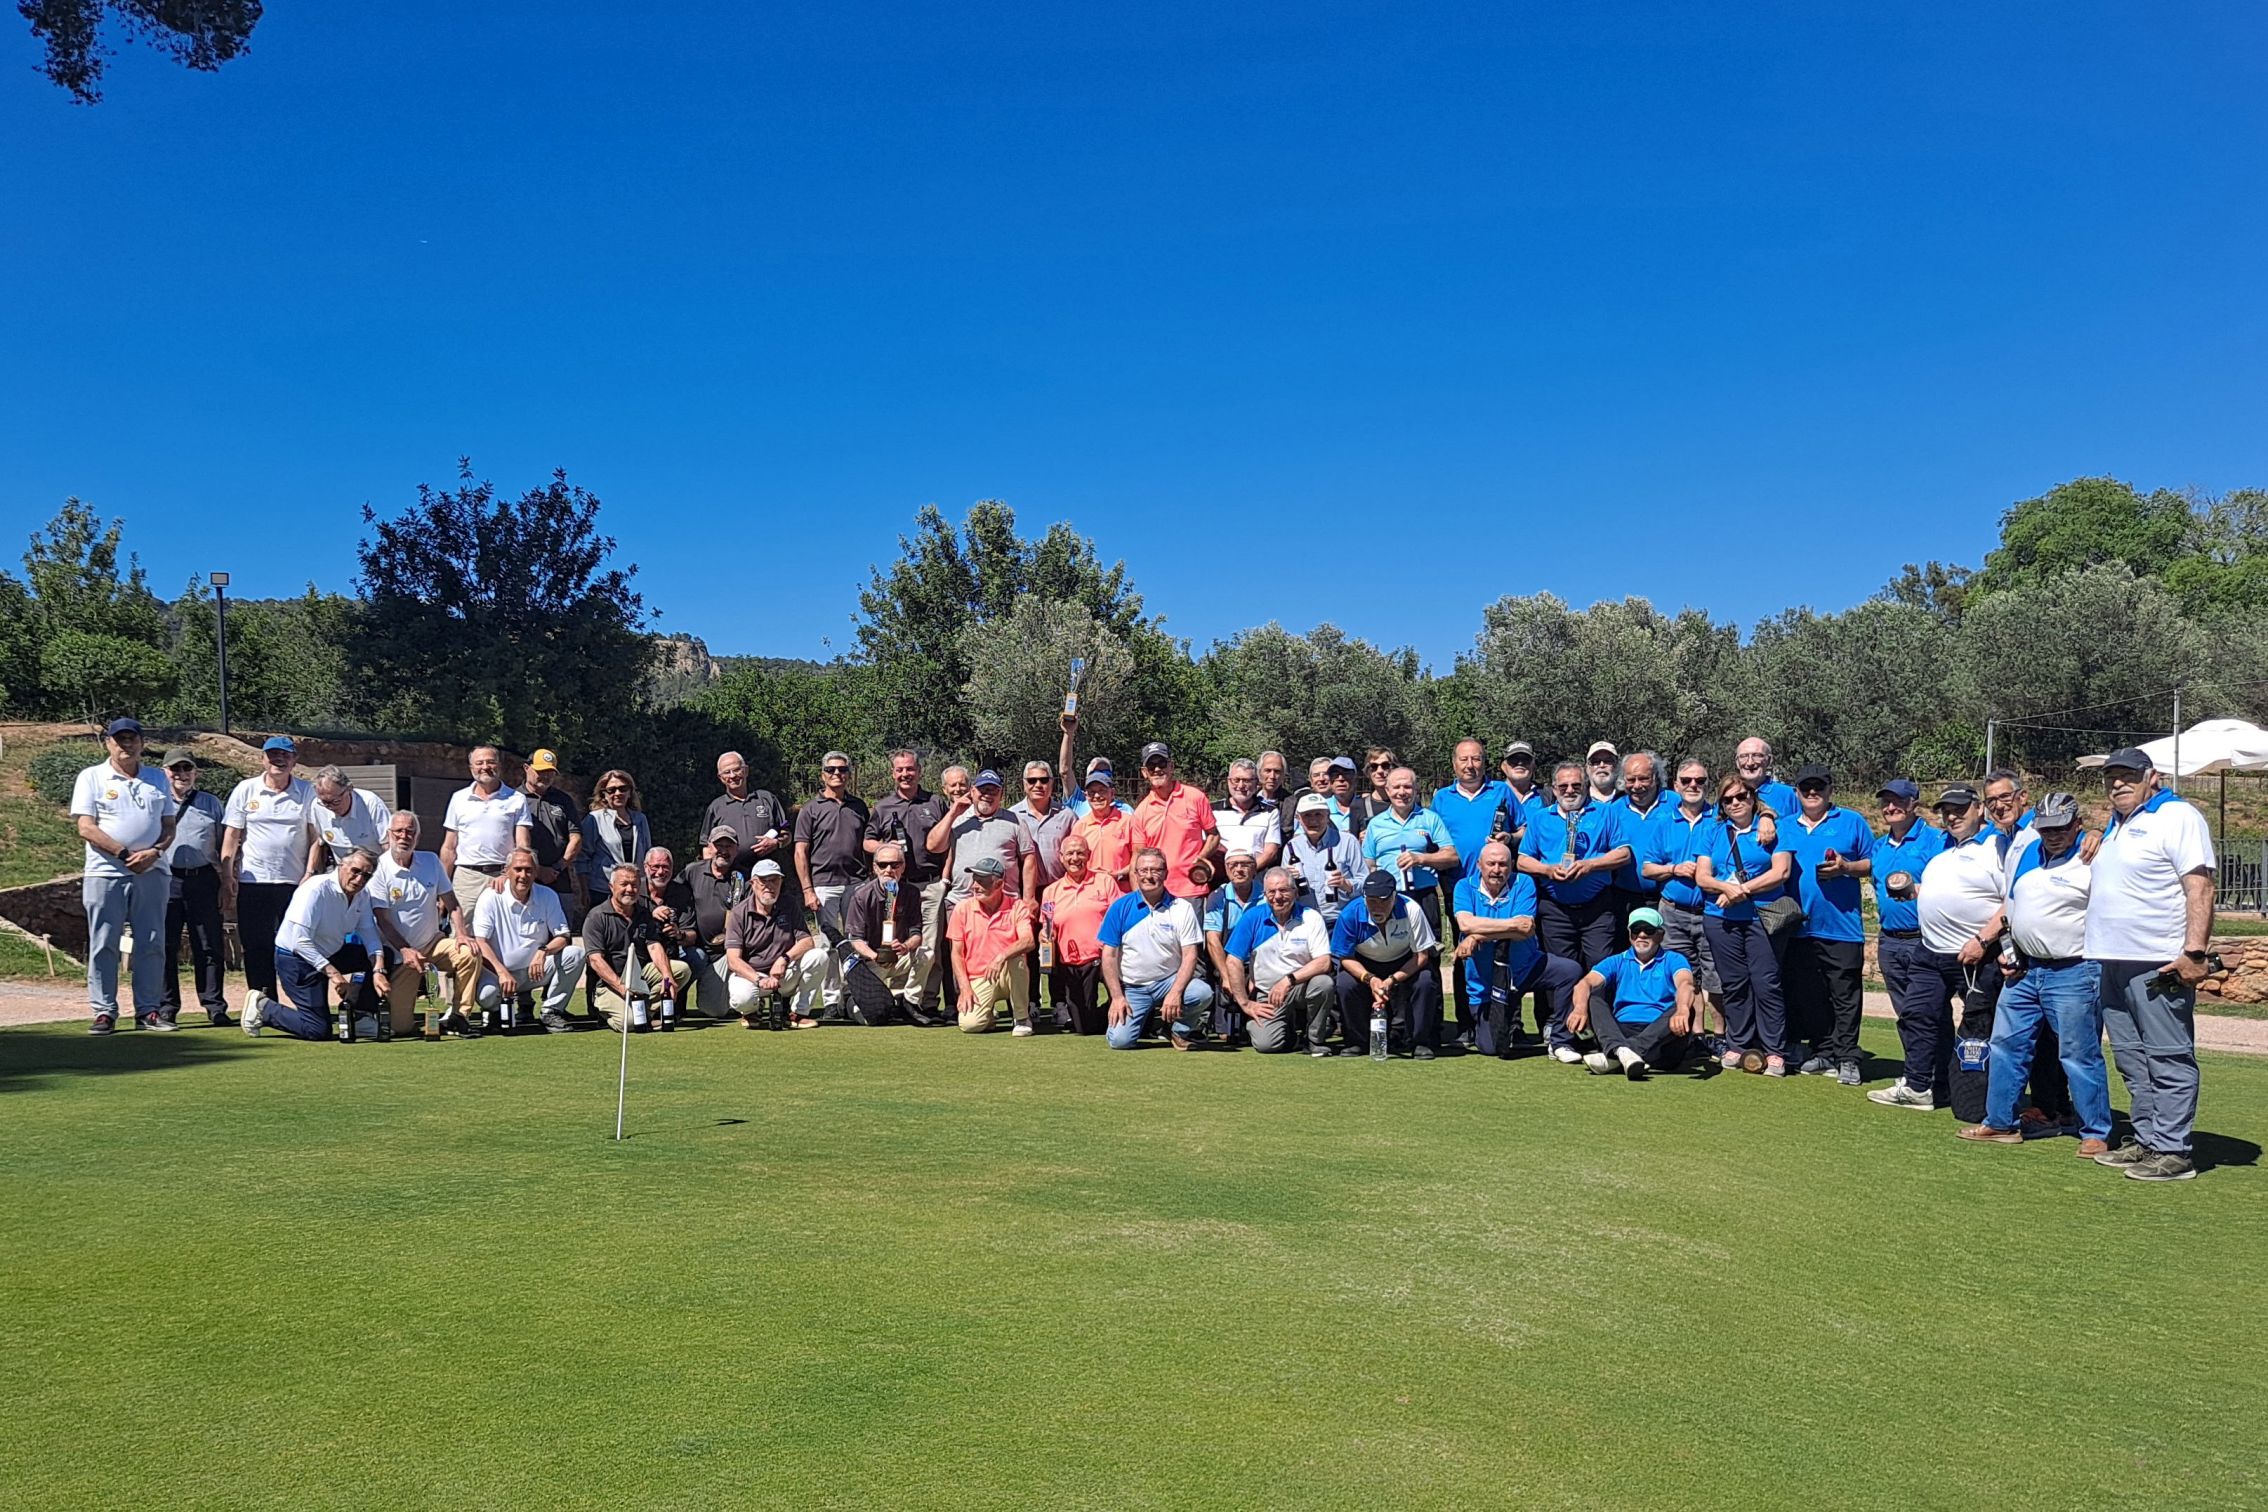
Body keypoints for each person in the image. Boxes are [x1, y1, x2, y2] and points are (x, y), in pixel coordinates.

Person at [1958, 791, 2115, 1157]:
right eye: (2046, 829)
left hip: (2074, 969)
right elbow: (2013, 907)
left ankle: (2095, 1131)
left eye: (2061, 828)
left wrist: (2098, 833)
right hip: (2025, 970)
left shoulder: (2094, 855)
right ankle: (2000, 1122)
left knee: (2078, 1053)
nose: (2053, 835)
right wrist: (2010, 949)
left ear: (2077, 825)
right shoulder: (2028, 852)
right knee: (2005, 1046)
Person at [2085, 748, 2217, 1181]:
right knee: (2131, 1058)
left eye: (2128, 775)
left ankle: (2174, 1150)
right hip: (2113, 959)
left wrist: (2194, 952)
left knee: (2167, 1056)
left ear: (2152, 777)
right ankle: (2147, 1140)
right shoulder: (2118, 823)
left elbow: (2200, 887)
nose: (2117, 783)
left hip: (2158, 963)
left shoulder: (2178, 816)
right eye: (2111, 777)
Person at [1870, 785, 2004, 1112]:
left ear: (1979, 809)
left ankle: (1982, 1098)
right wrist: (1916, 891)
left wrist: (1983, 940)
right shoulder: (1946, 849)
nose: (1952, 817)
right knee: (1916, 1016)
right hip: (1931, 951)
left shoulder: (1998, 846)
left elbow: (2013, 900)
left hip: (1976, 954)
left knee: (1980, 1030)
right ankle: (1918, 1086)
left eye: (1960, 809)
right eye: (1946, 811)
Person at [71, 717, 178, 1034]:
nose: (126, 745)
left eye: (132, 739)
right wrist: (123, 854)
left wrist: (155, 852)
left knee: (152, 943)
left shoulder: (157, 778)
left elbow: (169, 826)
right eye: (119, 739)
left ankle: (148, 1011)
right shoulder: (91, 777)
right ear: (108, 743)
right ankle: (104, 1011)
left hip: (152, 871)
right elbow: (86, 827)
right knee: (104, 943)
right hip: (105, 872)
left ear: (142, 743)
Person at [1777, 764, 1876, 1087]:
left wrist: (1846, 867)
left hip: (1841, 926)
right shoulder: (1784, 825)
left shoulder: (1851, 821)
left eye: (1818, 786)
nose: (1812, 792)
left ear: (1830, 789)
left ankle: (1848, 1057)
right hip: (1797, 927)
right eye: (1806, 787)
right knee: (1810, 995)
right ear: (1796, 792)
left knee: (1845, 995)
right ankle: (1823, 1051)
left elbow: (1872, 863)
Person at [1693, 774, 1794, 1075]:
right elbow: (1702, 876)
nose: (1735, 803)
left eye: (1741, 796)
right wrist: (1726, 888)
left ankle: (1774, 1049)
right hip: (1720, 919)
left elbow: (1781, 872)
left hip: (1762, 918)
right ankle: (1738, 1044)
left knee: (1766, 983)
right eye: (1728, 799)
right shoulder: (1712, 831)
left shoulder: (1773, 829)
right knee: (1734, 984)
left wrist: (1742, 891)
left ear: (1752, 797)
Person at [1454, 838, 1583, 1059]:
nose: (1497, 870)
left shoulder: (1523, 883)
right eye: (1491, 864)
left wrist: (1477, 935)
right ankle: (1501, 1026)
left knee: (1570, 971)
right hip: (1486, 984)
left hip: (1526, 968)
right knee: (1493, 1048)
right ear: (1479, 865)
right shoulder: (1464, 886)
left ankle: (1560, 1041)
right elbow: (1466, 924)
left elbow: (1526, 929)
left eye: (1503, 864)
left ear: (1511, 865)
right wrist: (1508, 926)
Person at [242, 847, 386, 1040]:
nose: (360, 879)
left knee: (383, 956)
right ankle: (263, 1007)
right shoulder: (316, 889)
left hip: (330, 952)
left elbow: (369, 933)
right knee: (317, 1030)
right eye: (356, 871)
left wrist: (378, 970)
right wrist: (335, 975)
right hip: (296, 960)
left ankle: (360, 1016)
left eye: (367, 876)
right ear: (341, 865)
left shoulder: (363, 894)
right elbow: (299, 942)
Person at [370, 812, 484, 1038]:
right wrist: (405, 950)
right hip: (401, 955)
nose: (404, 836)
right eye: (399, 831)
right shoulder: (379, 868)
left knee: (469, 953)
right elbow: (382, 919)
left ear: (417, 837)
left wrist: (462, 934)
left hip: (433, 944)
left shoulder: (431, 861)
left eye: (410, 832)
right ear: (389, 834)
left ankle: (459, 1016)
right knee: (400, 1028)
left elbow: (452, 903)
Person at [220, 734, 316, 1000]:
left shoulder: (307, 791)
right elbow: (231, 836)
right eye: (273, 755)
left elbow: (316, 839)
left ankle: (304, 1004)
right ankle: (262, 1003)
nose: (279, 760)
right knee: (256, 947)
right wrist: (227, 876)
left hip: (295, 883)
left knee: (297, 946)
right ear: (263, 759)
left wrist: (310, 873)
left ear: (294, 760)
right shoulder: (245, 789)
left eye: (285, 755)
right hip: (253, 882)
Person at [1517, 760, 1630, 972]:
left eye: (1576, 785)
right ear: (1554, 789)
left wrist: (1590, 865)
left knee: (1601, 971)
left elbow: (1623, 854)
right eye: (1563, 786)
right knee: (1564, 972)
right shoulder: (1541, 818)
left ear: (1586, 786)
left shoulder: (1605, 813)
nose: (1570, 790)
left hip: (1597, 909)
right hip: (1555, 911)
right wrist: (1548, 870)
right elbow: (1522, 860)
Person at [1868, 777, 1946, 1083]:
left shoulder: (1935, 841)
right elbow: (1872, 875)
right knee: (1906, 1015)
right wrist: (1845, 867)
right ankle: (1917, 1075)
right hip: (1889, 940)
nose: (1891, 807)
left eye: (1899, 801)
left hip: (1923, 940)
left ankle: (1941, 1076)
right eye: (1886, 802)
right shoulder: (1879, 846)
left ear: (1914, 803)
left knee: (1928, 1013)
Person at [866, 750, 953, 1017]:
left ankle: (926, 1001)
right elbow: (867, 842)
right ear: (893, 773)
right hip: (897, 888)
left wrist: (945, 878)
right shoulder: (883, 807)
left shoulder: (935, 802)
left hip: (930, 884)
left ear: (919, 771)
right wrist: (886, 848)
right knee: (900, 942)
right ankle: (900, 997)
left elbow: (950, 842)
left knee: (930, 947)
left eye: (910, 769)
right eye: (900, 770)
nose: (905, 774)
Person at [1100, 847, 1214, 1050]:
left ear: (1166, 873)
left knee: (1202, 993)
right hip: (1133, 988)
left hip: (1169, 981)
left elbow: (1190, 955)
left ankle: (1178, 1030)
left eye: (1156, 870)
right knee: (1120, 1041)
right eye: (1143, 870)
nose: (1149, 876)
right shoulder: (1119, 907)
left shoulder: (1182, 908)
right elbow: (1108, 956)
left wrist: (1176, 992)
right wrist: (1117, 997)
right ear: (1135, 874)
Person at [1643, 758, 1719, 1043]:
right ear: (1676, 785)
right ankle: (1695, 1035)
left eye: (1699, 781)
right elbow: (1647, 868)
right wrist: (1674, 869)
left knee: (1716, 978)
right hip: (1673, 912)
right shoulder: (1664, 822)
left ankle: (1721, 1036)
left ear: (1708, 784)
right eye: (1686, 781)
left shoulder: (1720, 819)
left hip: (1712, 910)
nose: (1693, 786)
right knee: (1684, 975)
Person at [1567, 908, 1696, 1078]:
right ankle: (1624, 1052)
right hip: (1621, 1031)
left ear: (1660, 935)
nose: (1641, 935)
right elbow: (1585, 983)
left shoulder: (1674, 959)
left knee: (1687, 1007)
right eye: (1636, 930)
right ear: (1629, 934)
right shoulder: (1616, 961)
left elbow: (1686, 984)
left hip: (1661, 1037)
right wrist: (1579, 1009)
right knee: (1592, 998)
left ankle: (1618, 1054)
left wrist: (1682, 1009)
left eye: (1648, 930)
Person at [469, 848, 586, 1033]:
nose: (523, 875)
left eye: (529, 870)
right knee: (486, 996)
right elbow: (481, 941)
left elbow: (563, 936)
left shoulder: (547, 895)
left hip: (534, 972)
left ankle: (551, 1011)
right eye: (518, 869)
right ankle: (495, 1011)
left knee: (575, 954)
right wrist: (502, 972)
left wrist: (543, 951)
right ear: (507, 871)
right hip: (498, 973)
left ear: (536, 872)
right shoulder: (490, 897)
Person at [1223, 866, 1337, 1055]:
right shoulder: (1252, 917)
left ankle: (1314, 1039)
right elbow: (1233, 961)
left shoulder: (1311, 917)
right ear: (1264, 894)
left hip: (1301, 986)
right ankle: (1283, 1030)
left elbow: (1324, 962)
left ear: (1295, 892)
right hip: (1267, 992)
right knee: (1266, 1045)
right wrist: (1245, 1003)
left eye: (1283, 890)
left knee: (1323, 983)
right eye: (1271, 891)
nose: (1277, 896)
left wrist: (1288, 980)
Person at [1331, 868, 1444, 1059]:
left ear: (1394, 896)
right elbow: (1345, 958)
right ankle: (1358, 1041)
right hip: (1364, 963)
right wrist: (1370, 979)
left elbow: (1421, 956)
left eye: (1383, 901)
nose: (1377, 907)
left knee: (1425, 980)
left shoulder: (1411, 909)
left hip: (1405, 961)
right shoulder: (1349, 914)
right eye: (1372, 901)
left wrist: (1392, 979)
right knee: (1344, 983)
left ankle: (1419, 1041)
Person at [794, 751, 870, 1019]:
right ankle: (830, 1001)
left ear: (849, 773)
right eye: (831, 770)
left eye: (842, 769)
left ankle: (852, 995)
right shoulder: (811, 809)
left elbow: (868, 845)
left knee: (855, 942)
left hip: (856, 884)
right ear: (822, 774)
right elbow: (800, 852)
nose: (837, 774)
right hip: (824, 885)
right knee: (828, 946)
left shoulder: (859, 806)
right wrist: (807, 890)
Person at [159, 752, 229, 1026]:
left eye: (186, 768)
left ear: (195, 772)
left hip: (204, 879)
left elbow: (224, 844)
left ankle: (214, 1005)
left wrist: (226, 882)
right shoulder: (157, 802)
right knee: (166, 946)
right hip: (167, 879)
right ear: (165, 772)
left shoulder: (211, 803)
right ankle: (167, 1006)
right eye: (175, 769)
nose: (181, 774)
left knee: (209, 945)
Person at [582, 863, 691, 1032]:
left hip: (639, 976)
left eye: (634, 885)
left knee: (681, 970)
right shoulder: (596, 916)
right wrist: (621, 988)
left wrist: (667, 978)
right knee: (631, 1023)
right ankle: (609, 1014)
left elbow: (654, 946)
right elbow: (595, 960)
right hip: (608, 983)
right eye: (624, 884)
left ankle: (643, 1011)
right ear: (611, 887)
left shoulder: (643, 913)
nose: (630, 889)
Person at [723, 859, 824, 1029]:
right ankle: (751, 1011)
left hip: (783, 974)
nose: (769, 886)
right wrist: (758, 980)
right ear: (753, 883)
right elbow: (733, 960)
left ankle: (798, 1014)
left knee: (819, 956)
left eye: (774, 880)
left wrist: (784, 959)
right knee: (742, 999)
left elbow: (807, 941)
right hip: (753, 976)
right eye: (763, 881)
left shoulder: (789, 904)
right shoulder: (739, 913)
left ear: (781, 882)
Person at [839, 841, 930, 1025]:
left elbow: (916, 934)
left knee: (926, 954)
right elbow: (855, 939)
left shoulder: (911, 893)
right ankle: (849, 1001)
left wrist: (905, 946)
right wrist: (876, 956)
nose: (889, 870)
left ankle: (909, 1003)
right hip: (869, 962)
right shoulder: (861, 895)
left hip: (897, 956)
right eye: (883, 865)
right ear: (875, 868)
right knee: (870, 1018)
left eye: (895, 865)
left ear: (903, 867)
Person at [947, 855, 1038, 1034]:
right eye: (974, 880)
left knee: (1016, 958)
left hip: (1007, 973)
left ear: (999, 884)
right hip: (979, 977)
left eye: (981, 881)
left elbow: (1028, 941)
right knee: (970, 1025)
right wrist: (964, 988)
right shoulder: (962, 909)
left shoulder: (1017, 906)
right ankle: (987, 1015)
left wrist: (1001, 957)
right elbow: (956, 954)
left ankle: (1021, 1018)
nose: (975, 886)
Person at [439, 745, 532, 916]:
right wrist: (443, 887)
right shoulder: (459, 798)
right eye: (479, 763)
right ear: (471, 768)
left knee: (505, 926)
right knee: (462, 928)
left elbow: (522, 845)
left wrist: (508, 874)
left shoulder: (516, 799)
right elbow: (449, 847)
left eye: (490, 762)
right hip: (466, 879)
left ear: (499, 766)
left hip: (502, 877)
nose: (485, 767)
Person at [1043, 831, 1120, 1035]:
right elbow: (1047, 926)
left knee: (1128, 999)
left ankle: (1125, 1015)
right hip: (1073, 962)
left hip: (1105, 957)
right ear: (1061, 857)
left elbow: (1118, 919)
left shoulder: (1105, 882)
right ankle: (1105, 1016)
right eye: (1070, 853)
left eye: (1080, 853)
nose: (1075, 858)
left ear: (1089, 855)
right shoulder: (1051, 891)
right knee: (1084, 1027)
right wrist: (1045, 934)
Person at [1129, 742, 1219, 900]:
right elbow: (1137, 858)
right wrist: (1139, 898)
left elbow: (1214, 835)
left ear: (1171, 766)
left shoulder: (1195, 797)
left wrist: (1201, 857)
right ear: (1144, 772)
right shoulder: (1140, 812)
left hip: (1192, 889)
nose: (1157, 769)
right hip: (1157, 891)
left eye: (1161, 763)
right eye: (1151, 766)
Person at [680, 828, 747, 1019]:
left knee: (714, 1010)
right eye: (719, 845)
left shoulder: (743, 877)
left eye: (729, 846)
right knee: (689, 959)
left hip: (727, 953)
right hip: (696, 949)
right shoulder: (692, 871)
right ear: (709, 847)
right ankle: (676, 1001)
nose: (723, 850)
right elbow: (675, 896)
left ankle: (744, 998)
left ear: (737, 849)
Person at [1201, 846, 1267, 1038]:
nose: (1239, 869)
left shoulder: (1267, 895)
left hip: (1259, 963)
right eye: (1233, 865)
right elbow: (1213, 940)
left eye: (1245, 864)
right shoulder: (1217, 897)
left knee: (1259, 1031)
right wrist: (1227, 977)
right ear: (1226, 869)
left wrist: (1256, 975)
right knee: (1225, 1035)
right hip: (1229, 963)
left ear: (1254, 868)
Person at [519, 749, 586, 923]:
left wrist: (558, 867)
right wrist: (537, 870)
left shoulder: (563, 800)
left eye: (550, 772)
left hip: (559, 880)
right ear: (526, 768)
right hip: (524, 879)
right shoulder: (514, 799)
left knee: (561, 930)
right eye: (541, 771)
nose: (546, 776)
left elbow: (576, 838)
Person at [639, 846, 701, 1023]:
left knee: (698, 957)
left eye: (665, 867)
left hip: (672, 953)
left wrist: (679, 934)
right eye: (656, 866)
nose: (661, 872)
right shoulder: (634, 890)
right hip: (640, 955)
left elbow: (692, 935)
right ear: (645, 867)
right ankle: (646, 1007)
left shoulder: (681, 893)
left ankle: (675, 1003)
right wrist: (650, 916)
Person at [1285, 792, 1365, 924]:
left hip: (1341, 919)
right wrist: (1289, 881)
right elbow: (1284, 889)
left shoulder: (1348, 842)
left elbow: (1364, 880)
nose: (1313, 821)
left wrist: (1347, 885)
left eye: (1318, 814)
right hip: (1305, 920)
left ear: (1328, 816)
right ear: (1298, 818)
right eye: (1307, 815)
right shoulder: (1292, 847)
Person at [704, 751, 790, 872]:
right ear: (720, 777)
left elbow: (786, 832)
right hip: (729, 874)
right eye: (727, 772)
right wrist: (712, 874)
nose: (732, 776)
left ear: (746, 771)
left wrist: (776, 843)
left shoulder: (767, 799)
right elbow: (706, 846)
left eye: (737, 770)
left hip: (765, 874)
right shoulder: (716, 807)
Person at [577, 769, 652, 905]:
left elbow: (647, 855)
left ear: (630, 792)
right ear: (603, 794)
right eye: (611, 790)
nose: (618, 793)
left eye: (623, 789)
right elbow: (582, 857)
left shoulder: (640, 819)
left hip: (633, 889)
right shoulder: (594, 819)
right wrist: (584, 889)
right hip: (602, 889)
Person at [305, 765, 393, 874]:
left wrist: (387, 874)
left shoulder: (371, 803)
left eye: (336, 801)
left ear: (349, 789)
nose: (330, 807)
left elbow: (387, 844)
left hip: (374, 870)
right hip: (342, 871)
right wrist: (309, 873)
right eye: (325, 802)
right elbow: (318, 842)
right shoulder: (317, 807)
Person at [1011, 756, 1077, 890]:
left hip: (1060, 889)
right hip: (1024, 891)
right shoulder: (1012, 816)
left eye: (1044, 780)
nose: (1038, 785)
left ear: (1051, 783)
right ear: (1024, 784)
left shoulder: (1067, 816)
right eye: (1032, 780)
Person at [1069, 764, 1137, 884]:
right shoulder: (1080, 826)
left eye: (1102, 791)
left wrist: (1119, 874)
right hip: (1089, 889)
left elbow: (1139, 857)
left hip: (1121, 889)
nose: (1097, 796)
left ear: (1112, 793)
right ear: (1086, 796)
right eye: (1092, 792)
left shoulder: (1128, 821)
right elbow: (1073, 861)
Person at [1213, 759, 1281, 871]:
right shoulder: (1212, 810)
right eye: (1236, 780)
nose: (1241, 785)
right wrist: (1230, 874)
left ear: (1256, 783)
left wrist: (1246, 873)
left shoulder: (1270, 812)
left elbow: (1270, 851)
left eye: (1247, 781)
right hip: (1220, 877)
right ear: (1228, 781)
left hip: (1256, 876)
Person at [1733, 737, 1799, 819]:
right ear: (1737, 762)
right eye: (1743, 756)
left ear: (1769, 760)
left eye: (1757, 756)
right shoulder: (1728, 797)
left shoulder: (1790, 795)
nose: (1750, 763)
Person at [1325, 755, 1386, 838]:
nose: (1340, 778)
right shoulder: (1322, 807)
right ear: (1329, 780)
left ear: (1356, 779)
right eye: (1334, 774)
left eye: (1347, 774)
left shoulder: (1366, 806)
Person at [1499, 740, 1547, 820]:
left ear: (1534, 766)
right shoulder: (1492, 794)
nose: (1520, 763)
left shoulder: (1548, 795)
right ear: (1503, 766)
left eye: (1526, 760)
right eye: (1513, 759)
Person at [1584, 741, 1621, 805]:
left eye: (1608, 761)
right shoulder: (1579, 801)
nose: (1602, 765)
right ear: (1587, 768)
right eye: (1595, 761)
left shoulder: (1628, 798)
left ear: (1617, 766)